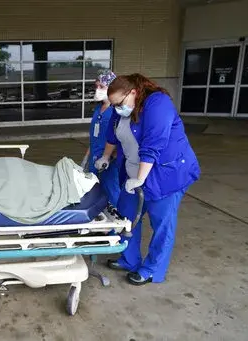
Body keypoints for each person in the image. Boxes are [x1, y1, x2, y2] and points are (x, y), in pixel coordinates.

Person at [94, 73, 200, 286]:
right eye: (114, 105)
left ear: (133, 92)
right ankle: (129, 259)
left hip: (165, 175)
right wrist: (106, 157)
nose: (117, 109)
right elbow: (112, 136)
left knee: (162, 223)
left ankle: (152, 269)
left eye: (120, 104)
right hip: (133, 171)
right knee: (126, 216)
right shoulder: (120, 108)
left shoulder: (157, 103)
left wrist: (141, 178)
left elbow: (154, 144)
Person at [80, 70, 121, 205]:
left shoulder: (117, 111)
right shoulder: (99, 109)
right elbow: (94, 137)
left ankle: (116, 225)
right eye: (96, 86)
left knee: (112, 194)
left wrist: (108, 157)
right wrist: (86, 158)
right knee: (94, 193)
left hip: (108, 162)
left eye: (101, 87)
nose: (97, 89)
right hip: (94, 159)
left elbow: (119, 139)